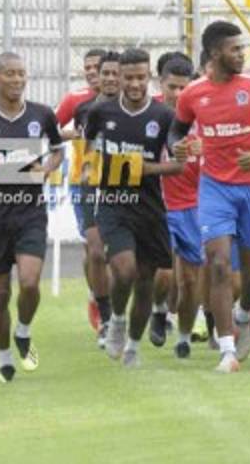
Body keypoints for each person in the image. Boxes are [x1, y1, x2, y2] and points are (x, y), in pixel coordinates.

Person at [169, 21, 250, 373]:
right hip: (214, 189)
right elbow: (176, 130)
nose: (241, 54)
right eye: (234, 49)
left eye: (242, 49)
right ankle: (226, 349)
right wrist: (175, 147)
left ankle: (244, 316)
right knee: (220, 264)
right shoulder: (194, 94)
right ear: (215, 54)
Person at [0, 52, 64, 383]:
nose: (17, 79)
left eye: (21, 73)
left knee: (30, 282)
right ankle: (4, 357)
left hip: (31, 210)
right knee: (0, 291)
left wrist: (47, 168)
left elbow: (58, 148)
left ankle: (23, 330)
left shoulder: (42, 115)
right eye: (10, 74)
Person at [86, 49, 178, 368]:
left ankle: (134, 347)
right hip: (114, 203)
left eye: (141, 77)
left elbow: (179, 164)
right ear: (118, 78)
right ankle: (115, 320)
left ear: (149, 77)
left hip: (150, 207)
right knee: (124, 269)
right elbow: (89, 152)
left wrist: (142, 168)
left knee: (146, 282)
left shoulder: (164, 116)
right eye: (129, 77)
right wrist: (92, 170)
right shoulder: (101, 113)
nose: (135, 83)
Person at [70, 51, 121, 348]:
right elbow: (83, 147)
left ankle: (141, 313)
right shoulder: (84, 110)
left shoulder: (137, 109)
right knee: (97, 252)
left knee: (126, 262)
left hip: (131, 188)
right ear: (97, 78)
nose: (111, 79)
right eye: (106, 74)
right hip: (93, 188)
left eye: (116, 74)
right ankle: (106, 317)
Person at [157, 54, 206, 359]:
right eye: (171, 86)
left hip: (194, 206)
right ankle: (158, 310)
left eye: (182, 88)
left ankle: (185, 335)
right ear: (159, 83)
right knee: (160, 272)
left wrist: (206, 151)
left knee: (189, 279)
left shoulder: (204, 118)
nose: (176, 94)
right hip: (157, 205)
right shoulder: (149, 115)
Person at [56, 48, 106, 331]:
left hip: (118, 180)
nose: (90, 71)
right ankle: (96, 297)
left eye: (96, 66)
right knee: (93, 245)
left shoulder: (121, 99)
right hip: (83, 180)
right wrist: (72, 134)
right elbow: (49, 128)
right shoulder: (75, 100)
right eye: (86, 67)